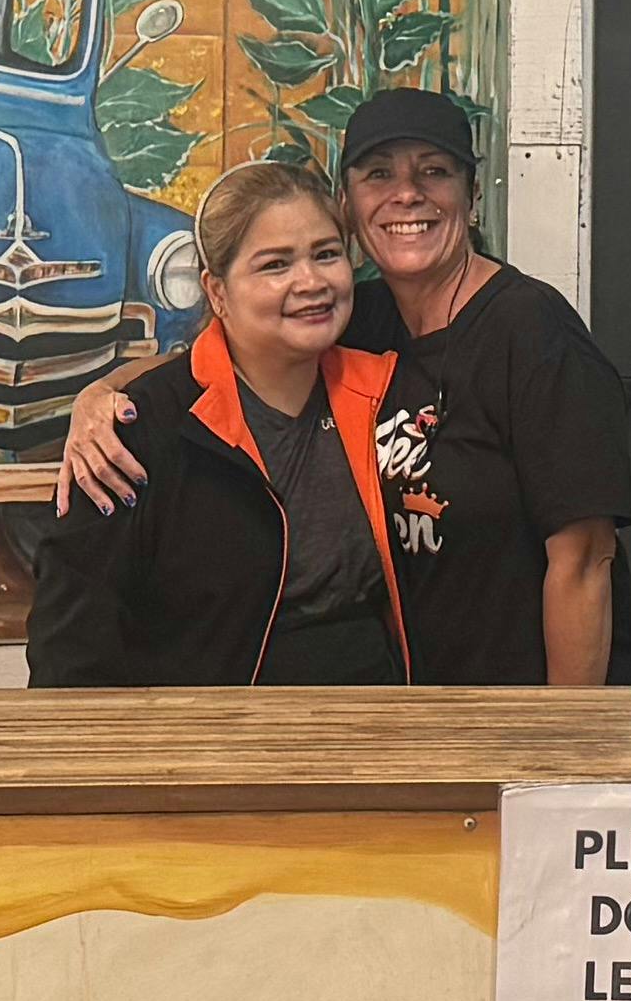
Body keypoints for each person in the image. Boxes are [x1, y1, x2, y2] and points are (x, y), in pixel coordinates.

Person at [56, 87, 631, 685]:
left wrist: (567, 730)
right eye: (378, 174)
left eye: (434, 171)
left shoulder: (534, 334)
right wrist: (100, 397)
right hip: (414, 706)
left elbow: (585, 561)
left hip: (528, 700)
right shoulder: (357, 322)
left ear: (472, 195)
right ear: (348, 204)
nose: (406, 194)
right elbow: (218, 359)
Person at [22, 158, 413, 687]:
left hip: (376, 714)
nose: (311, 282)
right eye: (275, 265)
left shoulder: (386, 392)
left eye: (327, 254)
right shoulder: (135, 428)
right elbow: (71, 641)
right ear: (218, 291)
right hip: (202, 727)